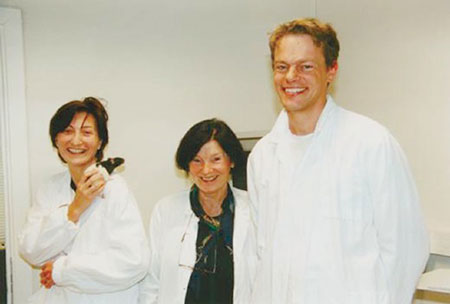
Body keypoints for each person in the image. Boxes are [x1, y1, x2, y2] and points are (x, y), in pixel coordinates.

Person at [247, 18, 429, 304]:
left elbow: (405, 250)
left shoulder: (370, 144)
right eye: (282, 67)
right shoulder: (262, 156)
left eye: (306, 66)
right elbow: (260, 255)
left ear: (331, 70)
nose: (291, 77)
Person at [18, 97, 149, 303]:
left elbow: (132, 263)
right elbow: (31, 251)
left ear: (100, 142)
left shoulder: (116, 190)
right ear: (56, 140)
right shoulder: (50, 189)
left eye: (86, 132)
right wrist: (74, 210)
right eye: (67, 131)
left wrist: (61, 270)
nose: (76, 140)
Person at [139, 118, 256, 304]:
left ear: (231, 161)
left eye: (216, 159)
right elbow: (151, 282)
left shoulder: (252, 209)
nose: (206, 170)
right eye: (197, 161)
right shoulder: (166, 210)